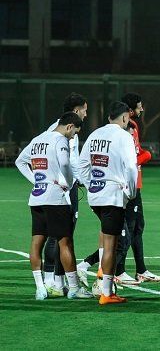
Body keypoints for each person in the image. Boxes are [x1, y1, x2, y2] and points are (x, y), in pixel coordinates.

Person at [16, 112, 92, 300]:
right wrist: (69, 183)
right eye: (74, 133)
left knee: (37, 242)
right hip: (55, 199)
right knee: (65, 242)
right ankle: (73, 288)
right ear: (69, 126)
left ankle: (40, 288)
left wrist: (36, 181)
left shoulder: (37, 139)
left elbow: (20, 161)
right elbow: (65, 164)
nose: (73, 137)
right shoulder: (60, 140)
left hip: (36, 198)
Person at [77, 101, 138, 304]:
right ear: (124, 117)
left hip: (96, 196)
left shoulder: (95, 134)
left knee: (105, 237)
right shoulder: (124, 136)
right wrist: (130, 192)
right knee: (112, 245)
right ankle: (106, 292)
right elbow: (131, 167)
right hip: (113, 196)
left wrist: (91, 185)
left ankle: (105, 288)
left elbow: (82, 165)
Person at [114, 92, 160, 285]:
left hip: (135, 184)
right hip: (127, 185)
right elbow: (130, 160)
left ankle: (141, 270)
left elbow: (136, 151)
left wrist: (143, 154)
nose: (142, 109)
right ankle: (116, 270)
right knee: (127, 229)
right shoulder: (127, 127)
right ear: (131, 110)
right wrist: (146, 156)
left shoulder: (133, 126)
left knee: (137, 227)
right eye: (140, 106)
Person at [42, 93, 88, 294]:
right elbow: (68, 162)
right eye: (84, 110)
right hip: (64, 188)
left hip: (50, 187)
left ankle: (55, 281)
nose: (86, 114)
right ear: (76, 110)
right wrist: (75, 181)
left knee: (56, 235)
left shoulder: (52, 129)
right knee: (62, 236)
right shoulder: (67, 132)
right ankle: (54, 282)